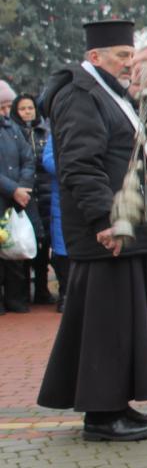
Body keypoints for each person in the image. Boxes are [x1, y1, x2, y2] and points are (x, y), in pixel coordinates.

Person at [37, 20, 147, 441]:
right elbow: (80, 164)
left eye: (131, 56)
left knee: (119, 323)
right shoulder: (81, 94)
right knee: (104, 327)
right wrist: (104, 219)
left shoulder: (109, 93)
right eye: (121, 56)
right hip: (106, 233)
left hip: (123, 229)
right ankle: (100, 416)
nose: (128, 64)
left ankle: (117, 403)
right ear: (95, 57)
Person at [12, 93, 53, 305]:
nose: (28, 112)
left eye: (30, 108)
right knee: (24, 241)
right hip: (23, 194)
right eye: (22, 109)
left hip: (44, 193)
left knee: (43, 241)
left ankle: (42, 288)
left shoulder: (44, 131)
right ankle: (24, 289)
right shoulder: (13, 132)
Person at [0, 85, 36, 314]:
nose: (5, 111)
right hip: (7, 196)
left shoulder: (13, 128)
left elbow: (28, 158)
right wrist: (13, 189)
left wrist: (22, 187)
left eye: (6, 106)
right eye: (1, 107)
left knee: (14, 250)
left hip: (15, 201)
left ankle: (16, 299)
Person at [41, 133, 69, 312]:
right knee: (63, 251)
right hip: (63, 199)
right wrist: (75, 169)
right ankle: (65, 294)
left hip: (89, 196)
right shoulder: (56, 131)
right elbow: (49, 160)